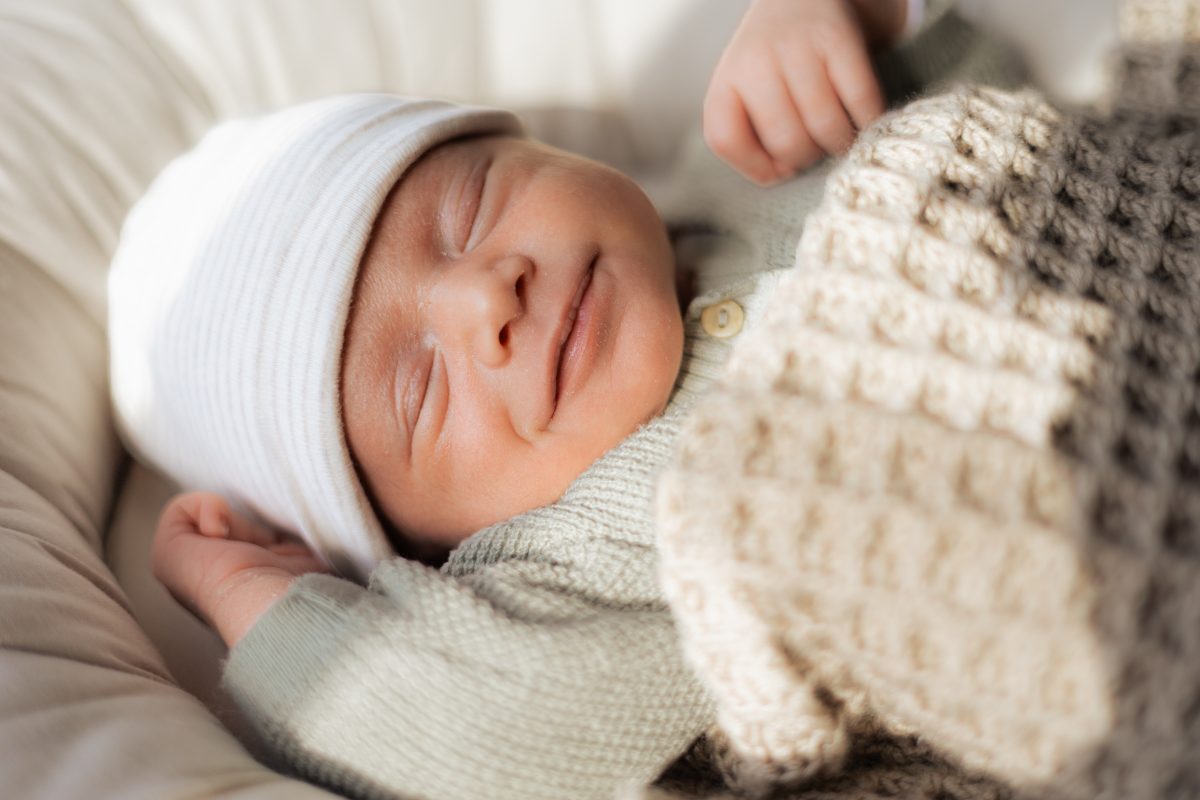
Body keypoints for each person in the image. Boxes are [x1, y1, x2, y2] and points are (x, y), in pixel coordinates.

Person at [107, 2, 1024, 799]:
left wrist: (839, 24)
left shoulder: (746, 164)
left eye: (470, 211)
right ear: (420, 551)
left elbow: (978, 92)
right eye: (419, 388)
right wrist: (255, 596)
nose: (484, 301)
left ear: (544, 149)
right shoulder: (565, 568)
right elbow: (469, 736)